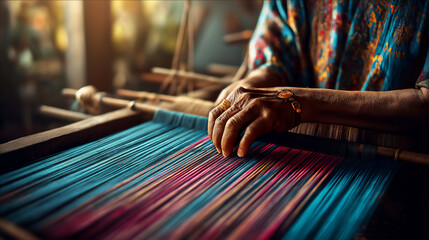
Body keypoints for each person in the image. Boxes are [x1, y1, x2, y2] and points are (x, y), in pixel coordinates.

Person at [208, 0, 429, 158]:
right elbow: (281, 56)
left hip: (399, 158)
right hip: (308, 149)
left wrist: (295, 102)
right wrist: (253, 84)